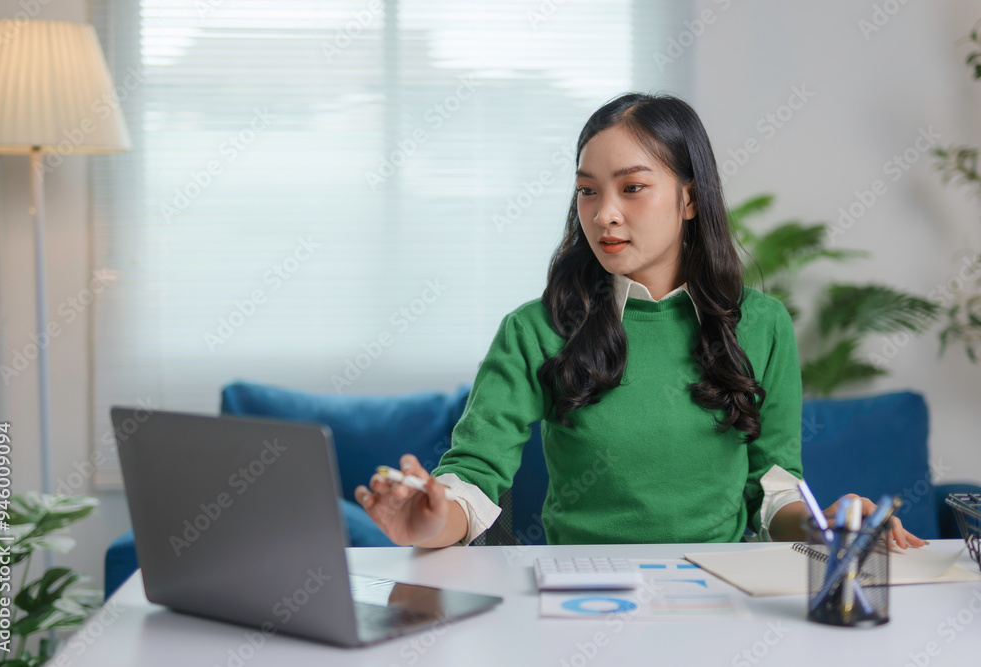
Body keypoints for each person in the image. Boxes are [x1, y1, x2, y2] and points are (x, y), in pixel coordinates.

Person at [354, 92, 927, 551]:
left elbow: (773, 488)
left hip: (721, 594)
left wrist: (827, 530)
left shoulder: (762, 325)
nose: (604, 214)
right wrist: (428, 523)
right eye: (587, 191)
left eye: (632, 188)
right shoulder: (536, 328)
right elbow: (475, 476)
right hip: (580, 592)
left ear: (690, 199)